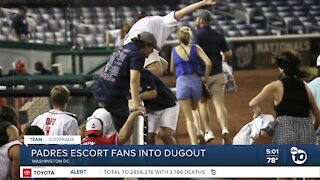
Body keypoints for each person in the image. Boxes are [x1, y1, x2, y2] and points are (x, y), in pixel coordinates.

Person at [124, 0, 217, 77]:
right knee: (157, 69)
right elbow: (182, 12)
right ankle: (142, 88)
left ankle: (140, 82)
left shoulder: (159, 21)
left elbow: (182, 12)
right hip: (138, 43)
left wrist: (203, 3)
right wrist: (203, 3)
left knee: (164, 65)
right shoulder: (165, 22)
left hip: (129, 44)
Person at [92, 32, 159, 132]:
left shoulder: (127, 47)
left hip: (100, 89)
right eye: (151, 48)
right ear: (145, 45)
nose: (152, 51)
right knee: (128, 130)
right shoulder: (138, 55)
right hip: (113, 96)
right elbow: (134, 80)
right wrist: (136, 105)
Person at [249, 50, 320, 144]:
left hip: (285, 130)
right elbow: (318, 116)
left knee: (284, 158)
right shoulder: (305, 86)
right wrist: (311, 131)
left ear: (281, 68)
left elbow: (252, 103)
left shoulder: (276, 86)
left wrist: (257, 112)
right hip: (307, 131)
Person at [194, 10, 233, 144]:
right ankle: (224, 129)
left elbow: (193, 53)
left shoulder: (197, 36)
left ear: (200, 20)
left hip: (202, 76)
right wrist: (221, 59)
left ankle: (208, 131)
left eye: (197, 19)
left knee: (202, 102)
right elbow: (228, 54)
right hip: (218, 73)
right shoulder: (218, 35)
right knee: (219, 103)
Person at [170, 26, 212, 145]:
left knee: (188, 118)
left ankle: (194, 144)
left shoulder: (175, 50)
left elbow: (172, 68)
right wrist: (205, 78)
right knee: (195, 108)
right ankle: (199, 130)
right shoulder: (196, 48)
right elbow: (208, 63)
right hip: (196, 81)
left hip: (182, 82)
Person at [140, 69, 179, 144]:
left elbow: (152, 93)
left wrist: (133, 97)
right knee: (149, 138)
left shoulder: (144, 73)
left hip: (168, 105)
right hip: (152, 109)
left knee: (164, 134)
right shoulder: (124, 79)